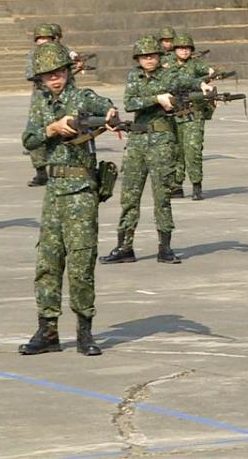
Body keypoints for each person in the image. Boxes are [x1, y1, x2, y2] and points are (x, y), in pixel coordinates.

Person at [18, 42, 118, 356]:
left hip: (81, 191)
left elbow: (106, 106)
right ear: (40, 80)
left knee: (81, 261)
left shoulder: (82, 97)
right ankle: (47, 330)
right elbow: (28, 139)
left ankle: (84, 332)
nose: (55, 79)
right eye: (48, 76)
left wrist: (110, 115)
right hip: (54, 191)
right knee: (47, 261)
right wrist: (51, 128)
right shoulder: (41, 105)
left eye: (59, 72)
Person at [99, 36, 210, 265]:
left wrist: (203, 86)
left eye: (152, 55)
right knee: (130, 195)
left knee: (162, 196)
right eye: (144, 56)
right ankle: (124, 246)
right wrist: (157, 99)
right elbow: (130, 103)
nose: (149, 59)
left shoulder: (170, 74)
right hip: (138, 139)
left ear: (159, 57)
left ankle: (165, 247)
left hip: (162, 140)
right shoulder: (134, 76)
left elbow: (189, 80)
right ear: (138, 59)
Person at [168, 32, 214, 200]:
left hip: (193, 112)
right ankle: (176, 185)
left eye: (187, 48)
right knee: (175, 151)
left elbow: (210, 71)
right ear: (175, 49)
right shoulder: (167, 65)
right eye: (180, 48)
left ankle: (196, 184)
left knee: (193, 149)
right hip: (173, 114)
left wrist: (209, 75)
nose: (184, 51)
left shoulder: (196, 65)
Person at [25, 24, 58, 188]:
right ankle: (40, 171)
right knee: (35, 133)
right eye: (39, 39)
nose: (42, 41)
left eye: (46, 38)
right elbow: (30, 74)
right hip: (40, 98)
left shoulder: (62, 52)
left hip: (60, 98)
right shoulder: (33, 55)